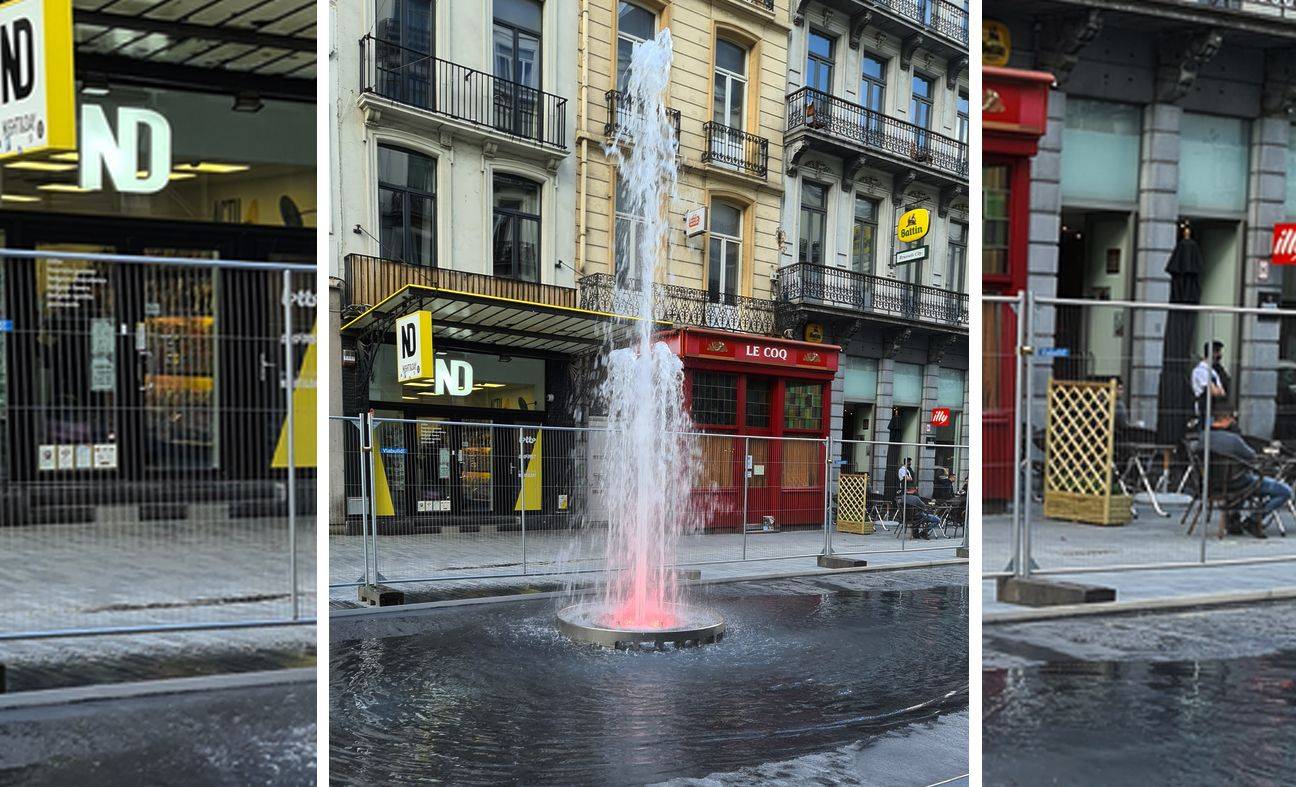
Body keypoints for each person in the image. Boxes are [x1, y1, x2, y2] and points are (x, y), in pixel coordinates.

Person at [1201, 414, 1290, 539]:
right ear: (1226, 419)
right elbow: (1252, 456)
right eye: (1233, 419)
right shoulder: (1234, 440)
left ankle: (1233, 518)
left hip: (1212, 484)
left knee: (1242, 479)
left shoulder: (1203, 437)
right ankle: (1253, 520)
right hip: (1238, 483)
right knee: (1285, 491)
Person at [1191, 341, 1227, 420]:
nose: (1220, 355)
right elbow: (1213, 391)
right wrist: (1216, 390)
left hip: (1212, 412)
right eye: (1217, 352)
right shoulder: (1200, 371)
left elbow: (1222, 393)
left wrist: (1217, 390)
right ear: (1212, 353)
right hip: (1203, 413)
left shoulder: (1213, 371)